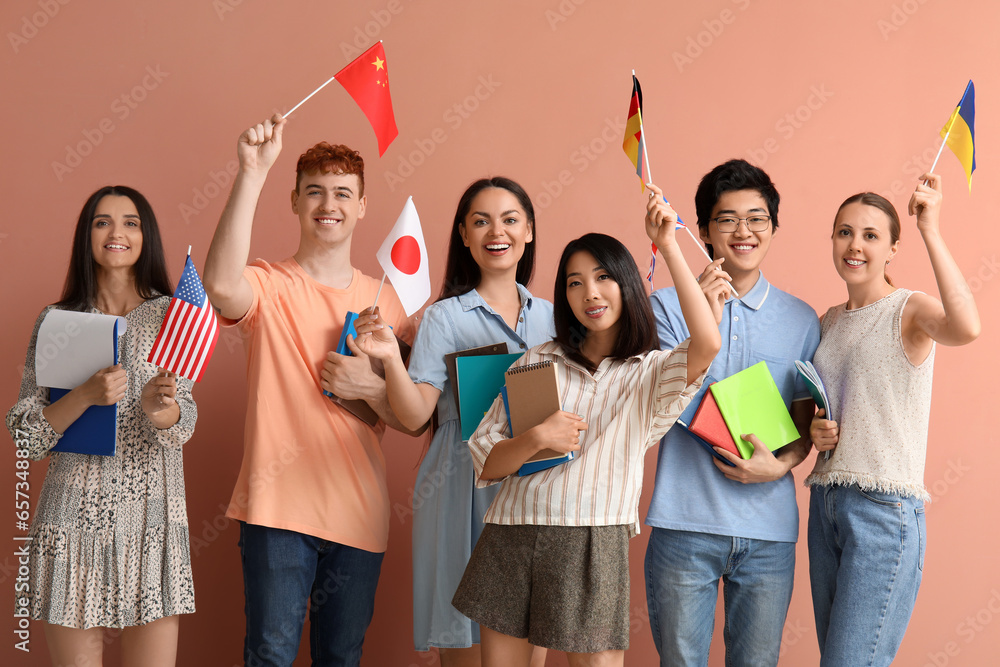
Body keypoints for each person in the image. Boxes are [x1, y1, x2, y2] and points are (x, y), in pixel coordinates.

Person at [436, 186, 719, 667]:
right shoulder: (539, 360)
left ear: (627, 283)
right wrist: (536, 438)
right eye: (573, 282)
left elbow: (706, 344)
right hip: (513, 532)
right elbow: (486, 459)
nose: (590, 292)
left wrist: (668, 243)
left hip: (594, 539)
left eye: (603, 276)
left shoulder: (648, 371)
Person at [202, 113, 415, 666]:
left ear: (362, 206)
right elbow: (220, 286)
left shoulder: (388, 301)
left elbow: (412, 416)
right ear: (294, 200)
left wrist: (371, 388)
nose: (330, 203)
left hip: (360, 513)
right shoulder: (268, 284)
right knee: (270, 655)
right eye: (315, 191)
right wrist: (251, 171)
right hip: (277, 510)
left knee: (341, 659)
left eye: (344, 192)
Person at [353, 177, 550, 666]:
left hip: (538, 488)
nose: (494, 231)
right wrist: (389, 360)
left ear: (527, 231)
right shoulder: (443, 317)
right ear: (463, 234)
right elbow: (417, 413)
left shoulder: (554, 317)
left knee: (533, 638)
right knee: (466, 641)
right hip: (463, 486)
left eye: (509, 219)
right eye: (480, 221)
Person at [6, 185, 196, 667]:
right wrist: (85, 397)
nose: (117, 232)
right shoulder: (55, 320)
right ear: (86, 236)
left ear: (145, 236)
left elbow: (184, 421)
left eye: (131, 222)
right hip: (71, 522)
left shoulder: (174, 316)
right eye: (102, 221)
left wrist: (162, 408)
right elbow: (26, 434)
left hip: (153, 519)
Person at [643, 159, 821, 667]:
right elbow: (658, 397)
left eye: (757, 218)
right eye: (726, 219)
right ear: (701, 230)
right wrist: (704, 314)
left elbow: (803, 423)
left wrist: (783, 464)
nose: (743, 231)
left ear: (773, 227)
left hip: (769, 533)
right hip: (684, 524)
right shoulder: (665, 308)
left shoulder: (802, 319)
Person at [806, 174, 980, 666]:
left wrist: (932, 230)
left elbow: (967, 327)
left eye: (870, 235)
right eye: (844, 232)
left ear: (892, 248)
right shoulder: (828, 320)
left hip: (883, 512)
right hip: (825, 507)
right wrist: (816, 430)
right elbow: (832, 405)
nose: (854, 245)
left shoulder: (910, 309)